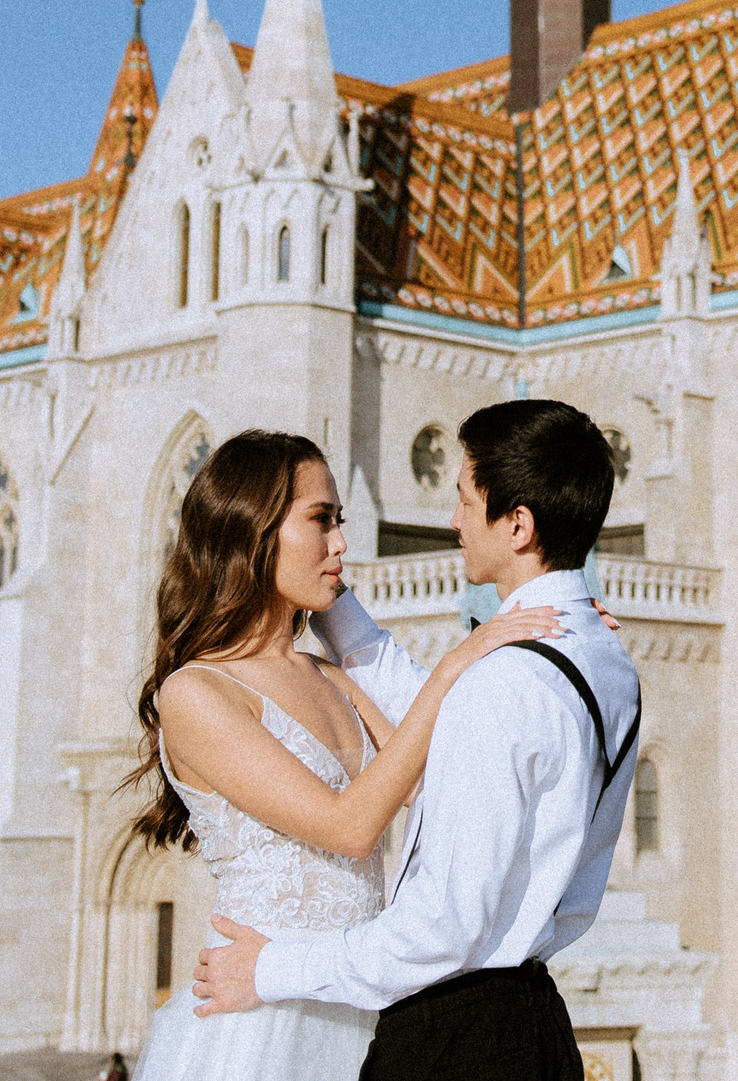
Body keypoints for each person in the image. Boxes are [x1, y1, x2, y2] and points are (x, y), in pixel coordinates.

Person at [193, 399, 641, 1081]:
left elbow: (442, 927)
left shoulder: (506, 682)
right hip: (538, 1024)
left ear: (517, 523)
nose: (453, 522)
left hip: (453, 1035)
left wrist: (272, 967)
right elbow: (410, 702)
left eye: (466, 500)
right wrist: (322, 586)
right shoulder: (609, 662)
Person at [124, 429, 566, 1081]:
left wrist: (561, 654)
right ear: (254, 529)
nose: (341, 544)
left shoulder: (329, 676)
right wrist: (448, 671)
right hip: (261, 1016)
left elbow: (444, 783)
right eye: (320, 520)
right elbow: (349, 826)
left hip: (361, 1001)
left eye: (340, 520)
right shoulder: (196, 692)